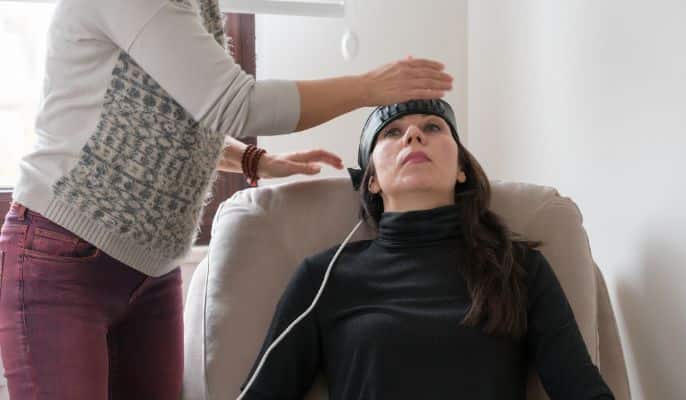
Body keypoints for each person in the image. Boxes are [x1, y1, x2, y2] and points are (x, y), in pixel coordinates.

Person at [0, 0, 453, 398]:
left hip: (152, 273)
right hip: (61, 260)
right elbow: (233, 103)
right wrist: (368, 87)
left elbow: (173, 118)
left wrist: (254, 160)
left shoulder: (196, 6)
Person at [241, 99, 615, 399]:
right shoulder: (323, 277)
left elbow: (580, 388)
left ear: (461, 170)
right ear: (371, 182)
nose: (414, 135)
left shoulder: (519, 267)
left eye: (432, 127)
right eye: (392, 133)